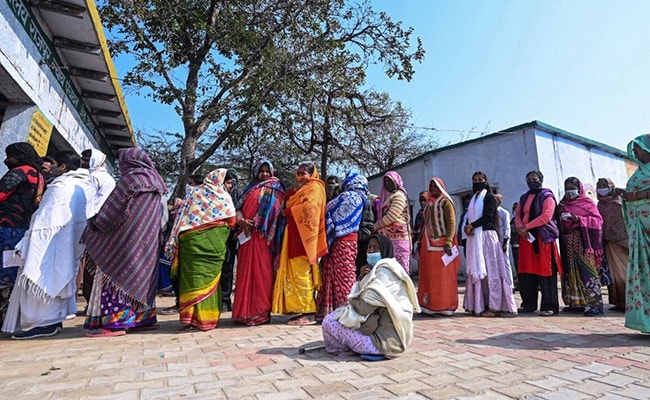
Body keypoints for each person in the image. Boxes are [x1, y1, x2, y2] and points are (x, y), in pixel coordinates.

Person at [3, 151, 95, 339]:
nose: (49, 166)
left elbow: (45, 219)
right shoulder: (79, 185)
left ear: (62, 166)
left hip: (48, 245)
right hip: (64, 245)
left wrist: (27, 243)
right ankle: (53, 321)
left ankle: (45, 324)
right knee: (55, 279)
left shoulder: (60, 187)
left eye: (52, 163)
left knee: (43, 279)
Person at [83, 148, 167, 337]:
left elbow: (110, 212)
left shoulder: (130, 180)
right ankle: (143, 319)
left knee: (115, 273)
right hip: (148, 241)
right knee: (143, 276)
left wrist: (94, 223)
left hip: (125, 242)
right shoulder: (157, 182)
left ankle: (114, 323)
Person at [321, 234, 419, 360]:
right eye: (369, 247)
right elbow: (366, 296)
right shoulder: (382, 269)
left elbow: (364, 308)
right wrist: (362, 277)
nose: (371, 251)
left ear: (384, 250)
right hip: (390, 340)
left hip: (383, 344)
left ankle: (343, 348)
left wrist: (351, 301)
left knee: (329, 322)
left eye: (376, 248)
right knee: (339, 316)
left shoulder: (385, 272)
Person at [165, 168, 236, 332]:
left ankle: (191, 320)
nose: (230, 186)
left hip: (190, 244)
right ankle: (207, 319)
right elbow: (231, 222)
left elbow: (181, 218)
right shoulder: (224, 197)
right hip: (214, 245)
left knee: (192, 280)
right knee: (208, 280)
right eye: (228, 182)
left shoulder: (194, 194)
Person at [272, 161, 327, 326]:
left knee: (302, 274)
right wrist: (294, 190)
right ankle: (299, 309)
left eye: (304, 173)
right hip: (294, 234)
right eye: (299, 172)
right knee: (294, 274)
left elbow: (310, 208)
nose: (300, 176)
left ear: (312, 174)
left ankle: (309, 312)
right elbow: (289, 198)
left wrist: (288, 211)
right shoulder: (300, 189)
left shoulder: (315, 188)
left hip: (304, 238)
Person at [232, 160, 285, 326]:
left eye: (267, 171)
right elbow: (237, 208)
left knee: (262, 274)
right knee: (244, 272)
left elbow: (275, 211)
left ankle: (260, 313)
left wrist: (255, 223)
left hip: (263, 238)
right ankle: (242, 313)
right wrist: (241, 221)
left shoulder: (276, 188)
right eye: (261, 171)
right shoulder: (249, 188)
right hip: (246, 236)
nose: (264, 174)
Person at [462, 171, 517, 317]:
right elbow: (471, 218)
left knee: (492, 271)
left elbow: (487, 216)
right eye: (474, 180)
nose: (477, 182)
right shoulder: (474, 199)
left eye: (480, 179)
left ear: (486, 181)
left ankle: (495, 306)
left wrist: (472, 225)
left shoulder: (489, 197)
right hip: (475, 237)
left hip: (487, 237)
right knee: (480, 272)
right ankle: (480, 304)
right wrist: (469, 227)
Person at [316, 172, 367, 321]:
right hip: (350, 241)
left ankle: (344, 311)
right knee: (345, 273)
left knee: (343, 276)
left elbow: (327, 210)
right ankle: (342, 310)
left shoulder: (349, 197)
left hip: (340, 241)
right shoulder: (361, 197)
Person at [515, 171, 562, 316]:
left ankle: (549, 306)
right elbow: (517, 214)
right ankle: (528, 304)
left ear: (541, 180)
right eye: (529, 179)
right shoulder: (523, 197)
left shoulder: (547, 196)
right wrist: (520, 228)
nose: (532, 181)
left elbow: (546, 216)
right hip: (526, 239)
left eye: (534, 179)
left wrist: (526, 227)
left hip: (542, 239)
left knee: (545, 271)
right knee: (526, 272)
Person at [557, 176, 604, 316]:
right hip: (568, 241)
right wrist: (561, 207)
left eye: (572, 188)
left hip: (584, 241)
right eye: (567, 189)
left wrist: (579, 219)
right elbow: (556, 219)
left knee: (588, 272)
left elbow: (597, 220)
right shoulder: (563, 204)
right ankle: (575, 303)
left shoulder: (587, 203)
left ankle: (596, 304)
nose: (570, 191)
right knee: (571, 271)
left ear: (579, 189)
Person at [0, 143, 45, 289]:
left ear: (19, 156)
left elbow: (1, 193)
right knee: (10, 266)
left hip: (5, 224)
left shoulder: (20, 171)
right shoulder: (39, 176)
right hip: (22, 228)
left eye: (10, 156)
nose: (7, 159)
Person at [161, 173, 204, 316]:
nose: (189, 186)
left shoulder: (203, 202)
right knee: (175, 275)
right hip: (178, 245)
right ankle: (179, 302)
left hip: (191, 246)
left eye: (191, 183)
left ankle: (187, 304)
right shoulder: (184, 200)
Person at [79, 149, 116, 305]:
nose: (83, 162)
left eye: (87, 159)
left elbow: (88, 203)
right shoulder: (109, 178)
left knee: (89, 266)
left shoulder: (94, 178)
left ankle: (91, 301)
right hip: (105, 225)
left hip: (92, 224)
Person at [418, 178, 460, 316]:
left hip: (442, 245)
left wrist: (448, 242)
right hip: (428, 244)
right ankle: (429, 305)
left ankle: (445, 306)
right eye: (431, 186)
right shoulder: (429, 203)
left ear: (441, 187)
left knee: (443, 277)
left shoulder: (446, 202)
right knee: (429, 275)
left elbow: (451, 223)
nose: (433, 188)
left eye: (435, 186)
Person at [622, 135, 650, 332]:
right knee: (642, 271)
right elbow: (628, 196)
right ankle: (644, 320)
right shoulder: (637, 174)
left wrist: (639, 195)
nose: (635, 153)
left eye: (639, 148)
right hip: (638, 228)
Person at [596, 178, 628, 312]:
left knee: (624, 273)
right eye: (599, 186)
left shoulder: (620, 202)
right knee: (613, 276)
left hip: (622, 242)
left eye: (604, 185)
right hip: (607, 242)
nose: (602, 188)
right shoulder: (599, 205)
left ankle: (628, 302)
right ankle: (618, 302)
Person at [374, 171, 411, 274]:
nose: (387, 183)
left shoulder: (399, 195)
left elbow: (392, 216)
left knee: (400, 271)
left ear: (396, 181)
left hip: (400, 240)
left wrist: (376, 226)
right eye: (385, 181)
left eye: (390, 181)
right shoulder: (388, 197)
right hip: (389, 239)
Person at [221, 168, 243, 311]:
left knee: (228, 269)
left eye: (231, 182)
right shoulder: (216, 194)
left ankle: (225, 299)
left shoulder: (237, 194)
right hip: (219, 237)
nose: (230, 185)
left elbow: (239, 211)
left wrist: (236, 231)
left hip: (233, 237)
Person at [494, 193, 515, 290]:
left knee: (505, 263)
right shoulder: (492, 213)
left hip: (503, 240)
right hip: (494, 240)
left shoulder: (504, 213)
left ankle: (509, 285)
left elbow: (507, 228)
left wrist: (505, 242)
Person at [411, 191, 429, 257]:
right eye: (421, 201)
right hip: (421, 244)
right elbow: (415, 230)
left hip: (432, 244)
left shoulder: (433, 212)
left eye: (424, 200)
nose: (422, 203)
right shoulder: (419, 214)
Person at [509, 202, 520, 283]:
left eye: (517, 208)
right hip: (514, 245)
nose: (516, 210)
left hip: (522, 246)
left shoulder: (523, 219)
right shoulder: (512, 220)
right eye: (514, 208)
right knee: (517, 265)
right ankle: (519, 283)